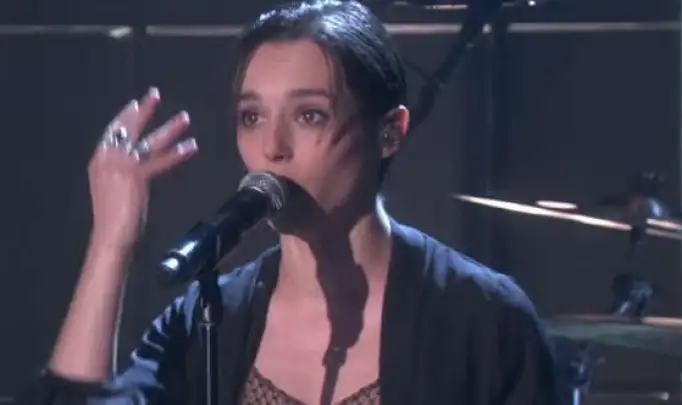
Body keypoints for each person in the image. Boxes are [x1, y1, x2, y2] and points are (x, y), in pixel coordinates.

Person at [17, 1, 559, 404]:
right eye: (252, 117)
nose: (272, 148)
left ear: (389, 132)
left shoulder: (484, 319)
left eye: (309, 115)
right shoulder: (208, 320)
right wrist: (110, 244)